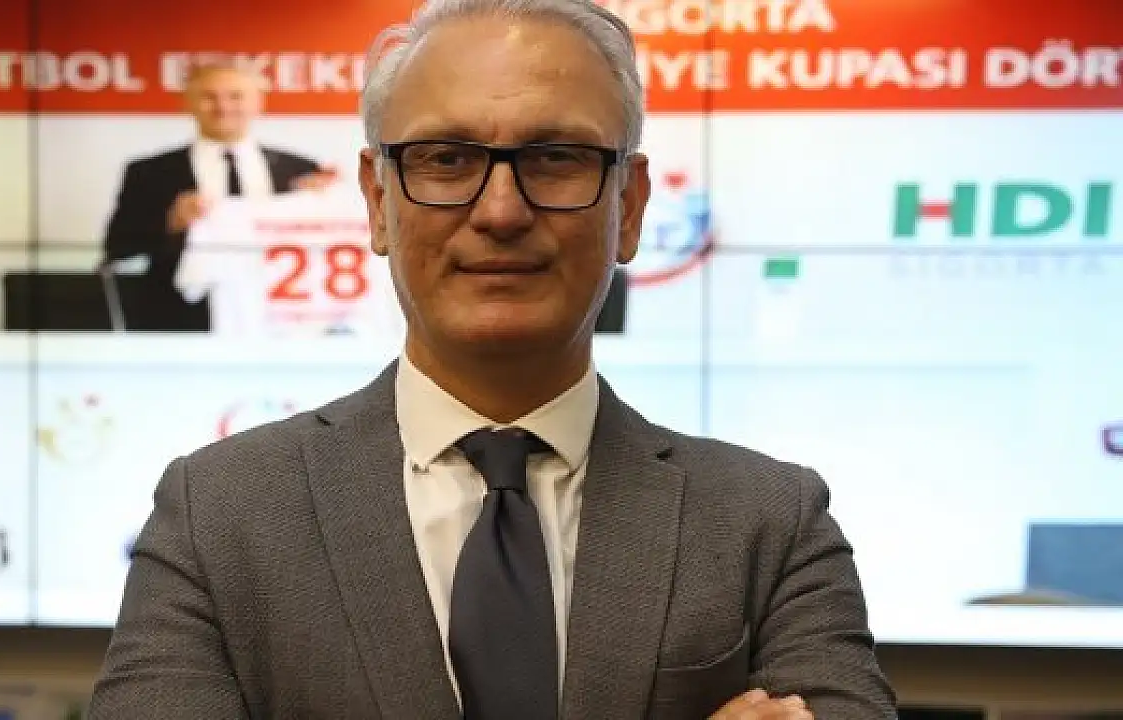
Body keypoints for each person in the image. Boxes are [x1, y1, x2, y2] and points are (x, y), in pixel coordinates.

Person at [87, 0, 898, 717]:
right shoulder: (219, 516)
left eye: (556, 158)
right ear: (377, 201)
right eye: (446, 159)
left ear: (629, 206)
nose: (501, 211)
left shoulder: (771, 524)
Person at [100, 61, 330, 331]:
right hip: (181, 321)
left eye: (236, 96)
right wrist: (170, 223)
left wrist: (326, 203)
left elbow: (327, 242)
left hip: (279, 320)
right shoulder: (149, 172)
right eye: (209, 97)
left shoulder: (302, 170)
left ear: (258, 103)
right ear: (188, 104)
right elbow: (117, 247)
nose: (223, 107)